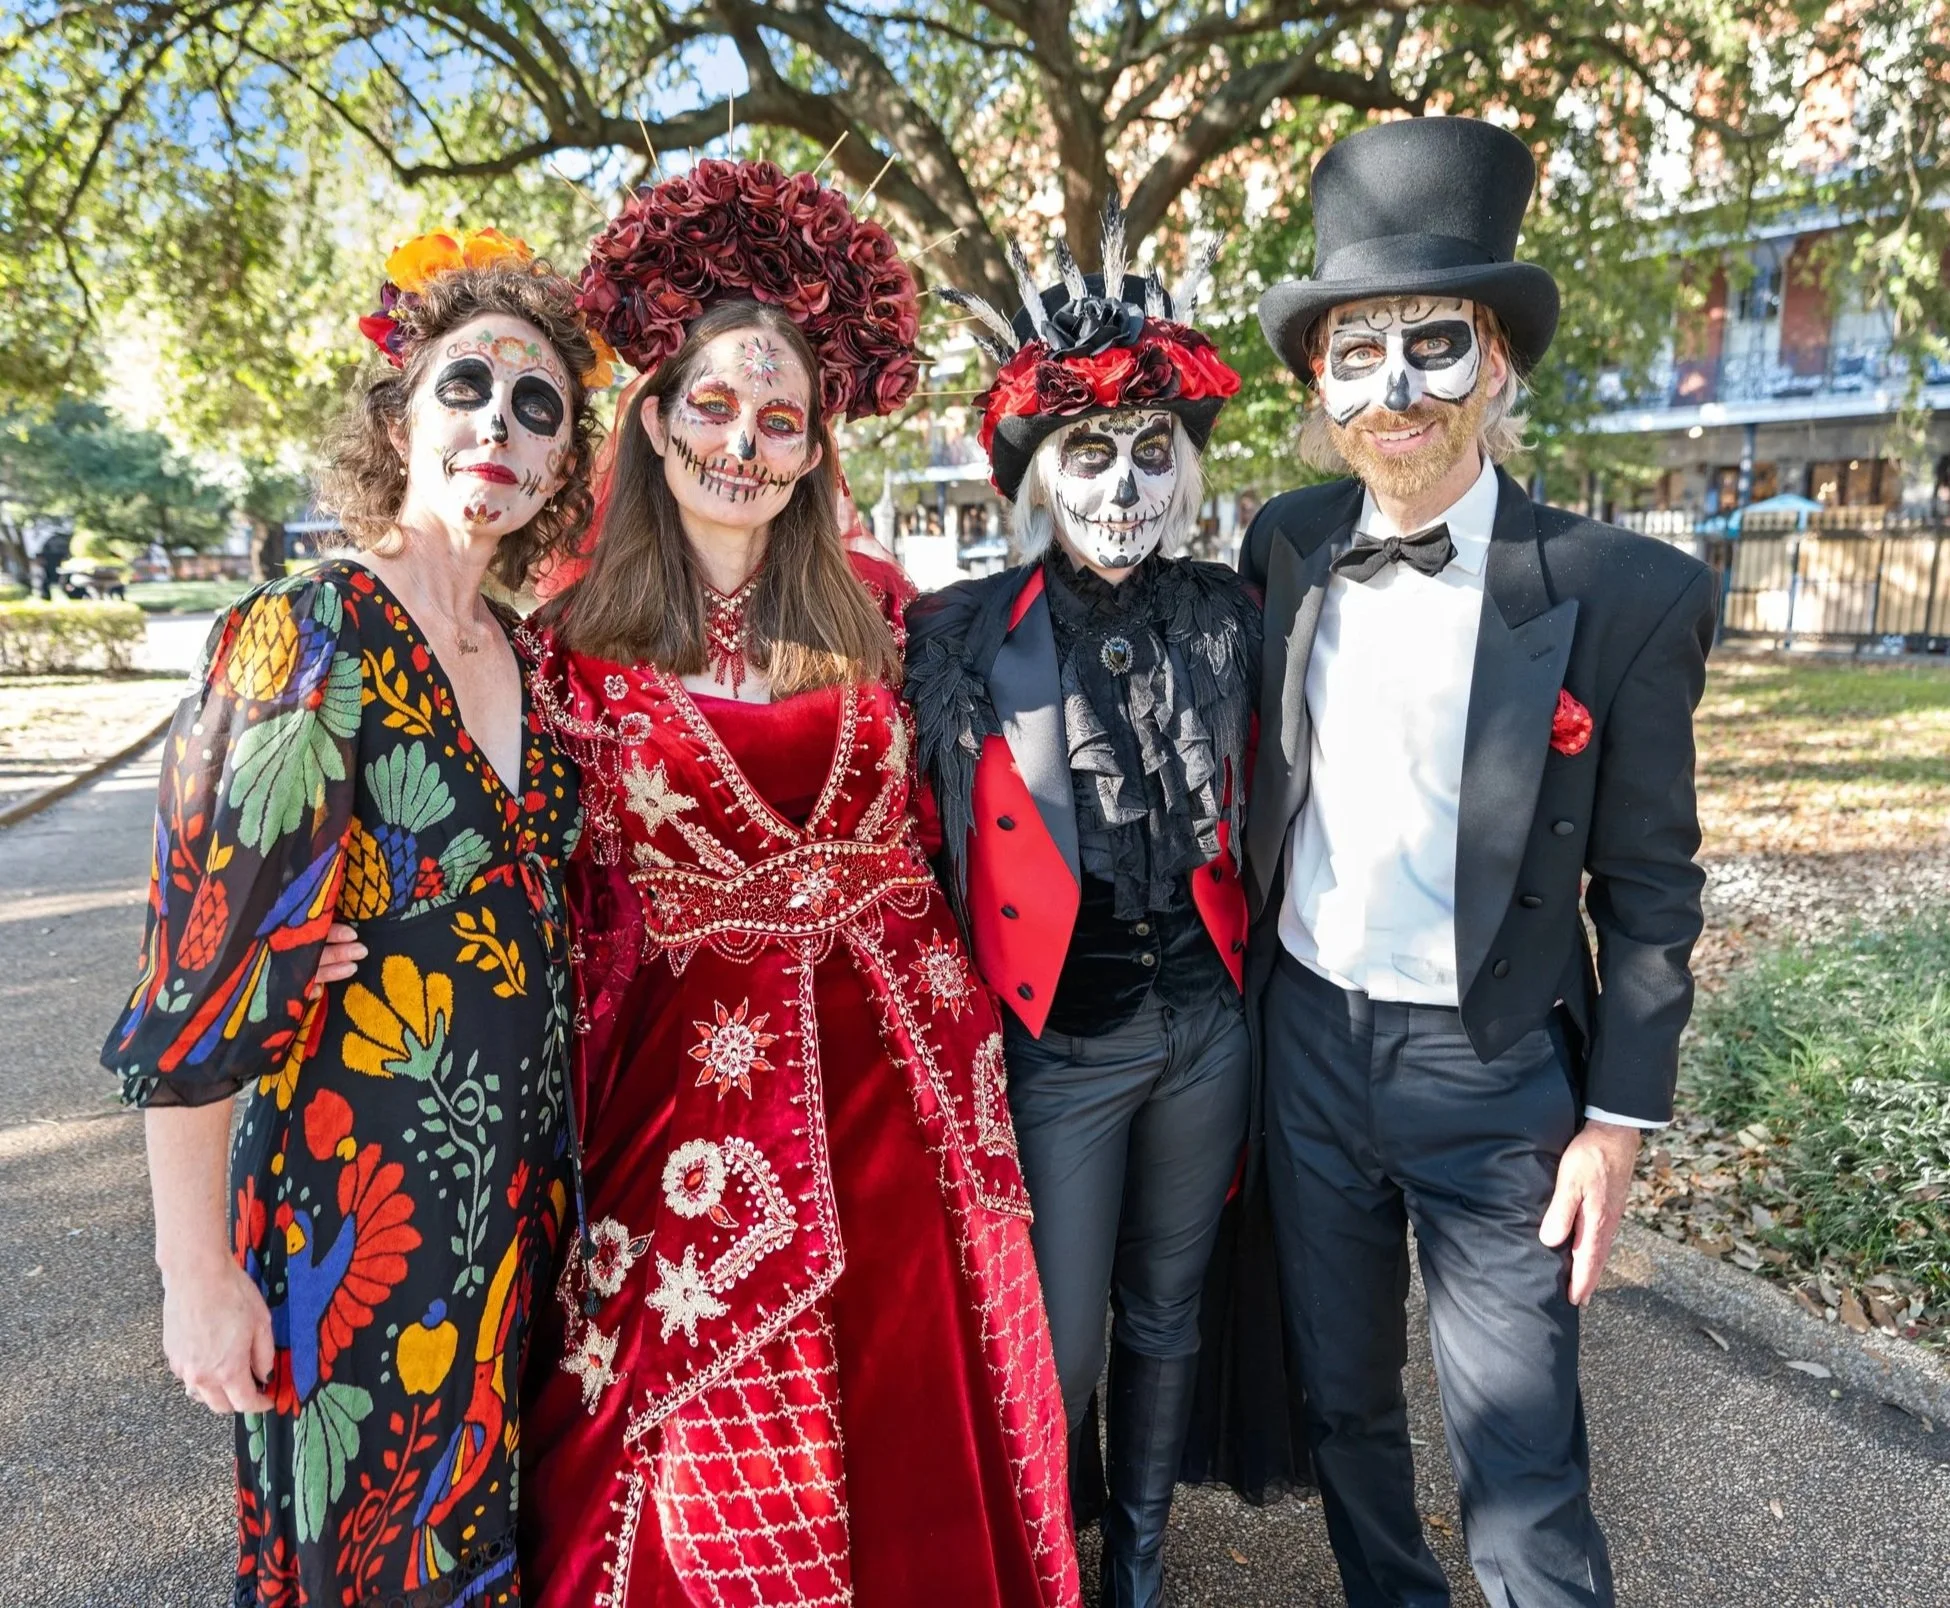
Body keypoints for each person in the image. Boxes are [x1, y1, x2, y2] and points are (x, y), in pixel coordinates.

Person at [514, 159, 1080, 1608]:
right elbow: (525, 885)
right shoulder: (563, 643)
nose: (743, 445)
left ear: (816, 444)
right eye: (711, 408)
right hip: (699, 1107)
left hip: (911, 1075)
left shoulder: (881, 608)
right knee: (709, 1438)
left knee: (926, 1406)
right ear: (650, 416)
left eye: (779, 421)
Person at [1237, 116, 1716, 1606]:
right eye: (1353, 354)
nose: (1394, 393)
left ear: (1496, 359)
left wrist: (1615, 1123)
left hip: (1497, 1066)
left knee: (1517, 1457)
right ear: (1315, 387)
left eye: (1432, 345)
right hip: (1307, 1037)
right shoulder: (1285, 543)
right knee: (1340, 1405)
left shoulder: (1624, 596)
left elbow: (1649, 893)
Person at [101, 228, 609, 1606]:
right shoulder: (300, 636)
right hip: (356, 1221)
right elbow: (198, 983)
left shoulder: (544, 666)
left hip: (527, 1223)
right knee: (368, 1566)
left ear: (564, 462)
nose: (497, 424)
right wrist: (193, 1271)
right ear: (396, 417)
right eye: (464, 389)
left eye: (537, 406)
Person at [904, 208, 1257, 1608]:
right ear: (1039, 476)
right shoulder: (956, 637)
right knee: (1057, 1343)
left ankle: (1143, 1565)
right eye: (1090, 456)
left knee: (1167, 1310)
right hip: (1059, 1048)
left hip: (1208, 1032)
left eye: (1152, 454)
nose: (1123, 489)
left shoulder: (1236, 614)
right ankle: (1050, 1558)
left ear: (1186, 471)